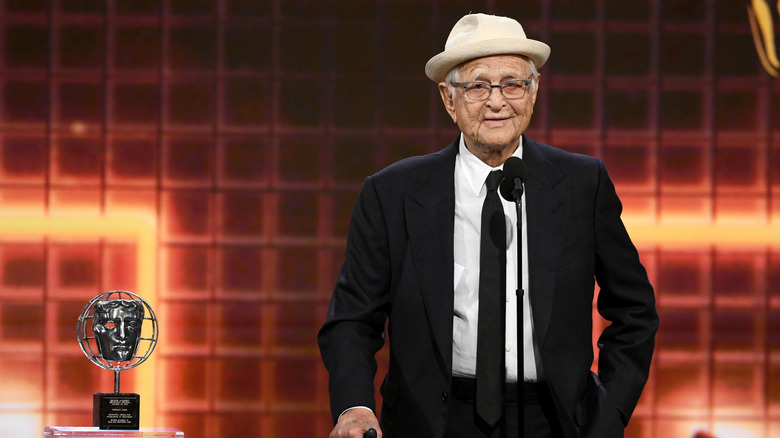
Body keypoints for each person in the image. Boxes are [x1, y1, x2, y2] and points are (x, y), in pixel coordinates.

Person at [318, 12, 658, 438]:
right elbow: (352, 318)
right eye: (478, 85)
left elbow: (634, 310)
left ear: (533, 93)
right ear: (449, 99)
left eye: (513, 84)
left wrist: (608, 415)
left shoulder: (581, 184)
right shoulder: (393, 194)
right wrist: (354, 407)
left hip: (556, 423)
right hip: (432, 423)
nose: (497, 102)